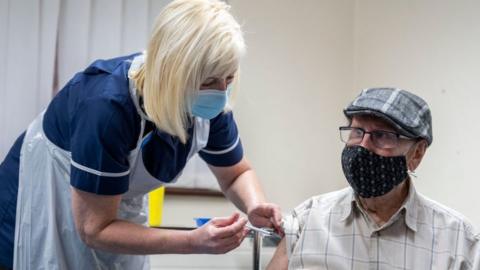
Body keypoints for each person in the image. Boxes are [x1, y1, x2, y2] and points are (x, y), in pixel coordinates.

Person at [0, 0, 283, 269]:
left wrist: (255, 205)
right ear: (173, 72)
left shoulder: (210, 108)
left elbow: (235, 173)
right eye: (209, 80)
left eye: (229, 77)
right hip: (43, 204)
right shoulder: (107, 108)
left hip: (108, 214)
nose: (221, 92)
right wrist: (192, 241)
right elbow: (94, 228)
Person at [267, 87, 480, 269]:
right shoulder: (307, 220)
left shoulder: (459, 241)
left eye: (382, 135)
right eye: (357, 132)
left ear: (417, 153)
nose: (363, 147)